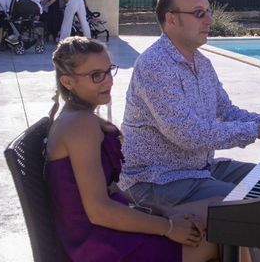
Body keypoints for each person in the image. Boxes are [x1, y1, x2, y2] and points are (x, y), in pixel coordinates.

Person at [120, 0, 260, 260]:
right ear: (171, 19)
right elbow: (188, 134)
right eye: (199, 13)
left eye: (208, 12)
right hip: (158, 180)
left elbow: (227, 111)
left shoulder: (201, 63)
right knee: (255, 210)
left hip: (199, 168)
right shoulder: (155, 66)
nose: (209, 20)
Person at [45, 36, 219, 262]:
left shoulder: (80, 118)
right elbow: (99, 211)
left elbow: (113, 190)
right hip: (102, 247)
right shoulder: (80, 125)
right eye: (96, 76)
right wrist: (167, 227)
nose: (108, 82)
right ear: (68, 82)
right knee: (227, 231)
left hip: (108, 233)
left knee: (221, 210)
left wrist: (164, 212)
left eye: (109, 71)